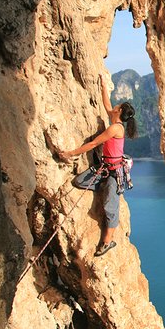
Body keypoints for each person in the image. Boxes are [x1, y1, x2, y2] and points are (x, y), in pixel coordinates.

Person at [59, 73, 137, 256]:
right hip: (105, 168)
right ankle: (103, 187)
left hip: (115, 172)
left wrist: (70, 153)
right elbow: (107, 104)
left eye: (118, 106)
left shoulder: (115, 128)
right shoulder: (114, 118)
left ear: (120, 111)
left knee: (110, 207)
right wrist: (102, 86)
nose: (115, 105)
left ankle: (107, 242)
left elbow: (94, 144)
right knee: (80, 182)